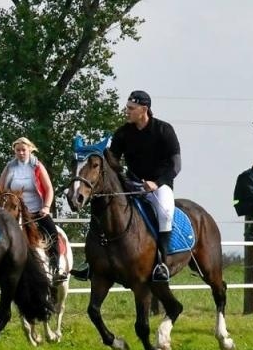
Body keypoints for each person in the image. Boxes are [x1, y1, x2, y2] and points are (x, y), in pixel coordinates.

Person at [76, 89, 181, 283]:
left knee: (165, 211)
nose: (127, 111)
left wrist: (156, 183)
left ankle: (163, 263)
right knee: (102, 207)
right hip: (130, 184)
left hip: (159, 186)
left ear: (144, 109)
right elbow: (112, 162)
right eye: (127, 107)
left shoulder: (164, 130)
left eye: (131, 108)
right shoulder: (123, 133)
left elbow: (176, 165)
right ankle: (92, 262)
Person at [0, 137, 61, 272]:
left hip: (36, 211)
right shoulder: (9, 167)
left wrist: (46, 207)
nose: (20, 153)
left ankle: (56, 268)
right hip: (14, 212)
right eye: (17, 150)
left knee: (52, 232)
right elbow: (0, 189)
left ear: (30, 150)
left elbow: (49, 189)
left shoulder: (37, 166)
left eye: (23, 150)